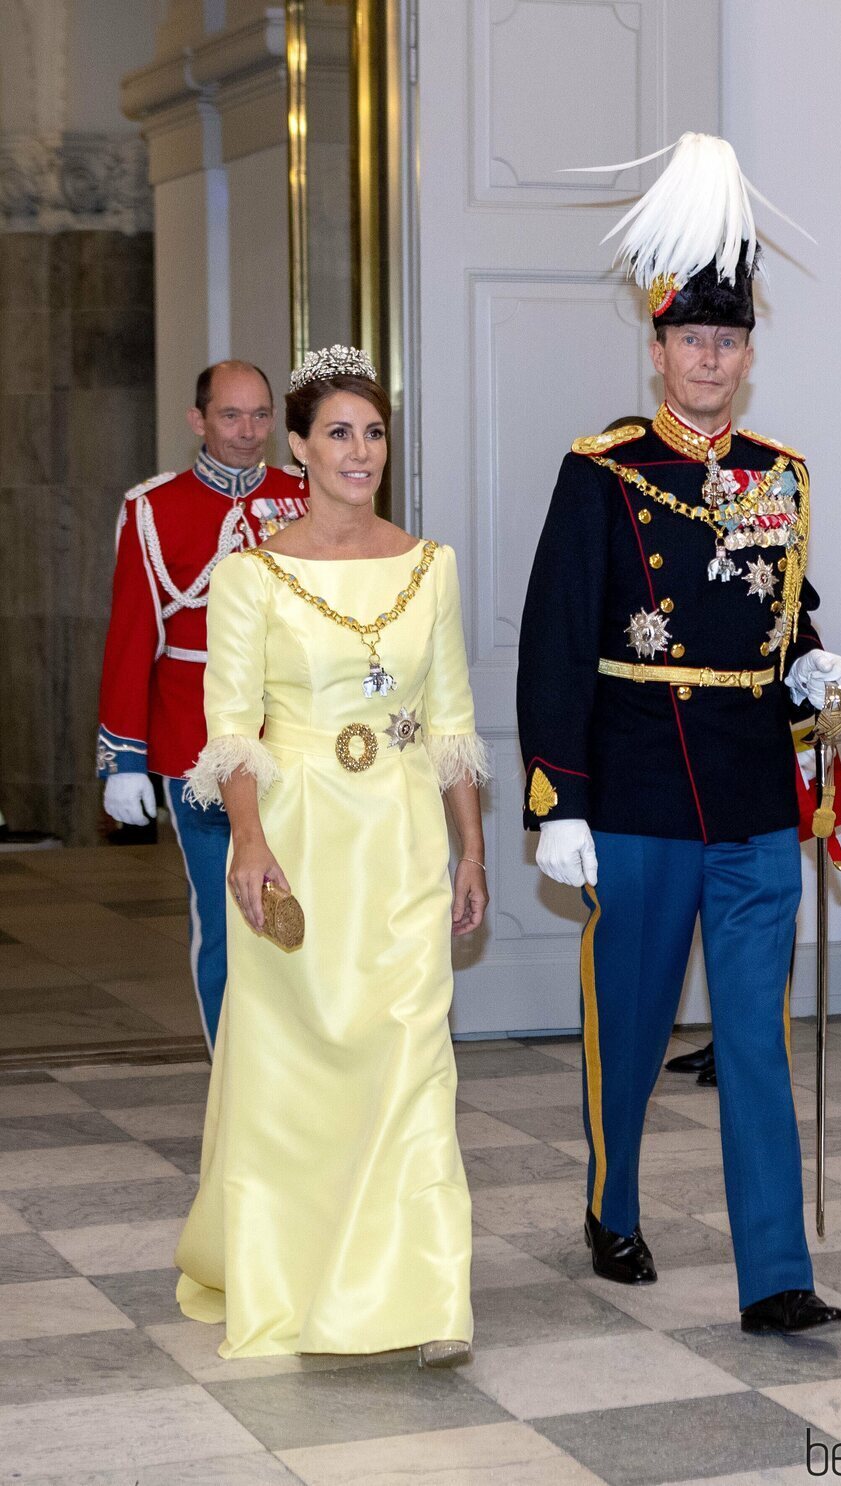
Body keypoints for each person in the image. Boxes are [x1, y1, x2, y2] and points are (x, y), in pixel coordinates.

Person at [517, 134, 841, 1334]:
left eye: (726, 341)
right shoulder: (601, 471)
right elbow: (555, 636)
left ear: (748, 357)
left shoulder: (780, 477)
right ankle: (611, 1202)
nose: (708, 359)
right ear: (656, 347)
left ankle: (775, 1275)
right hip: (642, 790)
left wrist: (810, 659)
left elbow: (780, 603)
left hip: (755, 796)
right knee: (636, 1023)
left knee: (752, 1041)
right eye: (688, 339)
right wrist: (558, 799)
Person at [175, 344, 491, 1363]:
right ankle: (291, 1273)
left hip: (399, 839)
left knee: (411, 1056)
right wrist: (251, 844)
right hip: (300, 836)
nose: (361, 451)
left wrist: (470, 852)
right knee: (296, 1067)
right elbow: (230, 726)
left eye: (374, 432)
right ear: (299, 449)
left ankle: (425, 1296)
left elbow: (449, 723)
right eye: (339, 433)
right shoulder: (250, 577)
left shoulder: (429, 565)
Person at [97, 361, 306, 1051]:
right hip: (198, 749)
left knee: (305, 913)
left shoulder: (305, 497)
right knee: (226, 918)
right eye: (230, 416)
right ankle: (233, 1075)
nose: (248, 433)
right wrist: (123, 757)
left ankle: (298, 1072)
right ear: (199, 420)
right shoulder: (154, 509)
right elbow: (133, 639)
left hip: (300, 740)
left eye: (259, 416)